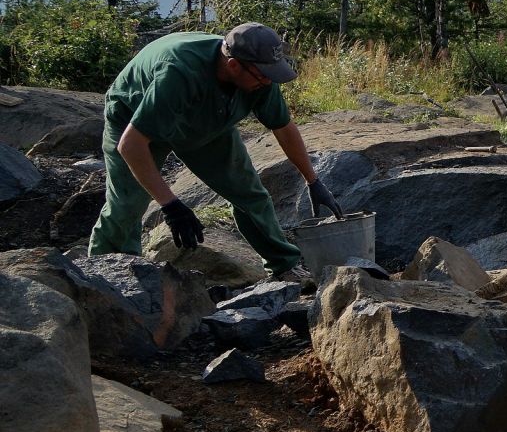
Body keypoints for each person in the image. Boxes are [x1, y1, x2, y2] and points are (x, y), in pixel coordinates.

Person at [88, 23, 343, 278]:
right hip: (133, 116)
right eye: (264, 75)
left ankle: (283, 266)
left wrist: (313, 180)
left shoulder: (260, 77)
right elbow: (130, 145)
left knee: (249, 193)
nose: (269, 81)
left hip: (205, 119)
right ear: (233, 65)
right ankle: (107, 278)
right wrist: (171, 205)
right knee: (127, 205)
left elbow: (284, 128)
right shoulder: (179, 72)